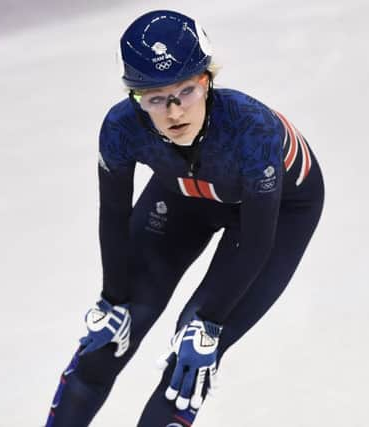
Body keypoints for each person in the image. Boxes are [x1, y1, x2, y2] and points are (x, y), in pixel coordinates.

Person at [45, 9, 324, 427]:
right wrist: (112, 298)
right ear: (133, 98)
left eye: (187, 91)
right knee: (105, 343)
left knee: (190, 355)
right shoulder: (121, 127)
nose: (175, 111)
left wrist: (209, 323)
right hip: (187, 191)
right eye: (155, 98)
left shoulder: (252, 129)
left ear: (208, 80)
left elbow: (256, 241)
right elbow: (115, 213)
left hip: (277, 212)